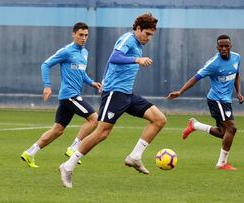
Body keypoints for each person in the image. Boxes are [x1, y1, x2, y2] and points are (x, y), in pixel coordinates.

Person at [59, 13, 167, 188]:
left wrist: (136, 58)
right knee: (101, 133)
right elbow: (114, 58)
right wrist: (137, 59)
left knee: (159, 119)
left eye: (151, 35)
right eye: (147, 33)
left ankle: (135, 157)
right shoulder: (128, 39)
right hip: (114, 93)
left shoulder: (138, 44)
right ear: (138, 29)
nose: (149, 38)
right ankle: (68, 166)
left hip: (127, 94)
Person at [20, 22, 102, 168]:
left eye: (86, 35)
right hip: (69, 95)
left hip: (71, 96)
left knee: (57, 130)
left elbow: (80, 72)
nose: (84, 38)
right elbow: (45, 64)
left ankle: (30, 153)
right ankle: (74, 148)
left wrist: (91, 83)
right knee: (94, 119)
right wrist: (47, 86)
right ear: (74, 34)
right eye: (81, 35)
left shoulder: (84, 53)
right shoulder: (66, 51)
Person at [167, 34, 244, 171]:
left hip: (226, 100)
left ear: (230, 46)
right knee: (232, 128)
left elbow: (236, 74)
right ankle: (221, 163)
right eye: (221, 46)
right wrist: (180, 92)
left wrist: (238, 92)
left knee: (223, 133)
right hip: (216, 100)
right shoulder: (213, 64)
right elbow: (195, 78)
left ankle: (195, 125)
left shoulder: (237, 57)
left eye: (227, 46)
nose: (224, 48)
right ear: (217, 47)